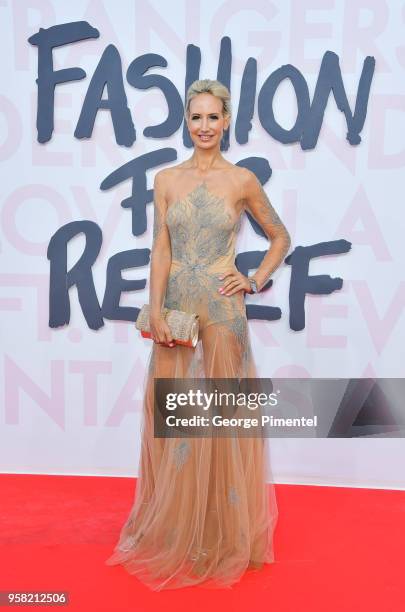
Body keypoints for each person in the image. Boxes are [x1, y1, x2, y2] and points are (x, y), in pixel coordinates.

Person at [106, 79, 291, 590]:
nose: (204, 126)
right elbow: (159, 250)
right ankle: (177, 529)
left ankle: (222, 534)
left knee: (223, 422)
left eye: (213, 117)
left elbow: (281, 237)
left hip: (224, 311)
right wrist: (157, 308)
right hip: (178, 313)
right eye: (196, 118)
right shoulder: (166, 179)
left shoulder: (243, 180)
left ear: (227, 121)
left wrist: (254, 279)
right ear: (186, 122)